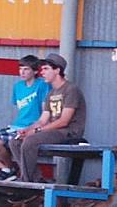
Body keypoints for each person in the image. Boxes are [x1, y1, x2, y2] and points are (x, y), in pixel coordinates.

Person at [9, 54, 86, 187]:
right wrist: (27, 130)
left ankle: (26, 183)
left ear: (57, 70)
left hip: (69, 132)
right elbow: (43, 119)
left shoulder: (71, 89)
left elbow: (64, 121)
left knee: (30, 141)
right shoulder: (51, 93)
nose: (42, 72)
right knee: (14, 141)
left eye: (45, 69)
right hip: (53, 131)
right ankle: (36, 179)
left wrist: (37, 131)